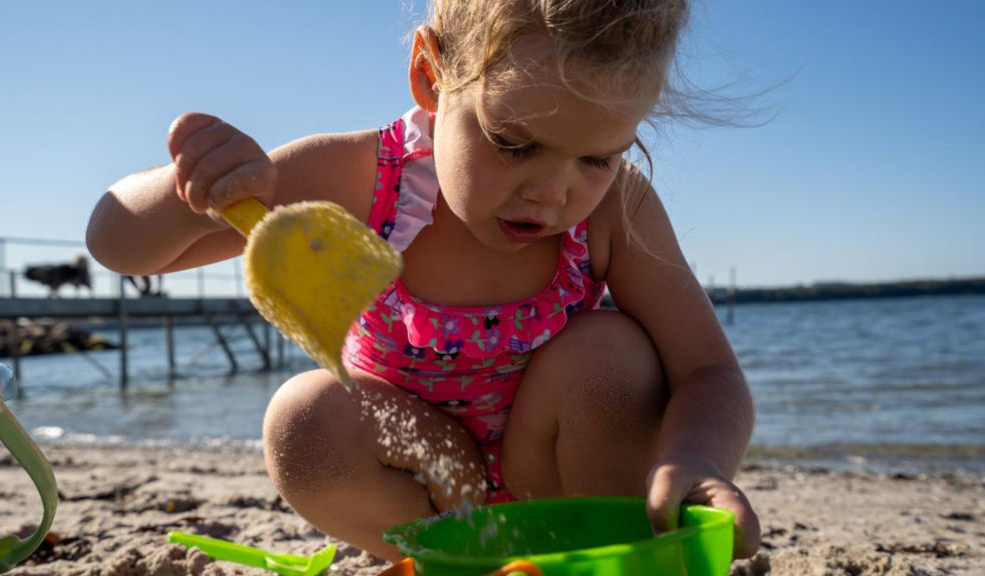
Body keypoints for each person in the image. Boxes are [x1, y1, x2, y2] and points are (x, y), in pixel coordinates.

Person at [87, 0, 760, 562]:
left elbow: (708, 369)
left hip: (565, 481)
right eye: (514, 143)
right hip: (425, 487)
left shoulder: (618, 209)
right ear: (431, 74)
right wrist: (189, 192)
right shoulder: (361, 178)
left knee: (612, 354)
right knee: (303, 421)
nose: (553, 193)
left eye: (597, 157)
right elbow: (117, 245)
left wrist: (696, 461)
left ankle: (573, 556)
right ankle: (458, 561)